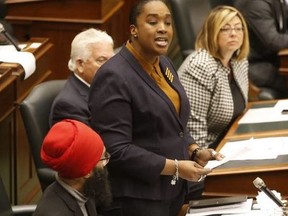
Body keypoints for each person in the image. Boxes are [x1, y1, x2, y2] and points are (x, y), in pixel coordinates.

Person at [88, 1, 223, 215]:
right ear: (134, 30)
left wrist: (194, 150)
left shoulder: (164, 63)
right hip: (135, 199)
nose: (163, 28)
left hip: (170, 191)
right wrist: (176, 167)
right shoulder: (113, 76)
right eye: (153, 22)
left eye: (167, 22)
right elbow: (117, 149)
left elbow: (174, 123)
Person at [179, 5, 250, 150]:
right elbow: (193, 131)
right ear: (212, 33)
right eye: (225, 28)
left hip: (231, 141)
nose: (233, 33)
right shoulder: (200, 66)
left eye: (238, 28)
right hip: (206, 151)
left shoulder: (239, 61)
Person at [33, 119, 112, 216]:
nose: (105, 163)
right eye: (103, 158)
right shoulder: (55, 213)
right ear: (87, 172)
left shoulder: (86, 189)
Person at [49, 28, 114, 126]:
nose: (111, 66)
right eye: (102, 60)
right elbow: (93, 140)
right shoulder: (68, 106)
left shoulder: (111, 84)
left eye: (113, 59)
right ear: (80, 64)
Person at [234, 0, 288, 99]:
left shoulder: (280, 2)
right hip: (252, 65)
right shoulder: (255, 3)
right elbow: (274, 41)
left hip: (272, 60)